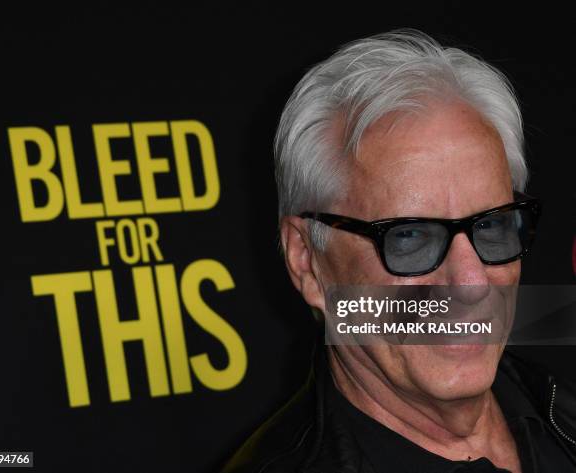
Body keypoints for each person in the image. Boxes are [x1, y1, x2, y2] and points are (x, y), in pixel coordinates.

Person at [221, 30, 576, 472]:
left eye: (489, 224)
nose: (471, 283)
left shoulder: (555, 404)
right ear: (307, 261)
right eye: (409, 237)